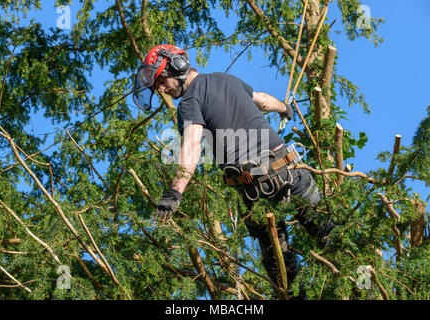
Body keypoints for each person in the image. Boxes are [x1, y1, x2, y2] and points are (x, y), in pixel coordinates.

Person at [134, 44, 336, 297]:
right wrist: (284, 107)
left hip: (256, 189)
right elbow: (262, 101)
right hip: (290, 169)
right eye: (157, 86)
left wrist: (174, 194)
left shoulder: (189, 103)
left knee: (284, 276)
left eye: (162, 80)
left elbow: (192, 146)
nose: (161, 88)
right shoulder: (226, 79)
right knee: (333, 238)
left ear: (178, 66)